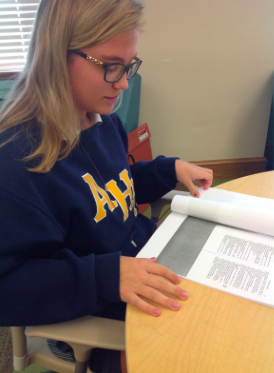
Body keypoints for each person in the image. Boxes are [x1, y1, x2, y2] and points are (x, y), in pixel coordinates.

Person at [0, 0, 213, 372]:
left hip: (142, 263)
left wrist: (167, 169)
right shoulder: (17, 160)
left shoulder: (100, 118)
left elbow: (116, 187)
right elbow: (9, 287)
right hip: (90, 307)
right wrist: (108, 276)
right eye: (111, 67)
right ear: (56, 55)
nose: (124, 82)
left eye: (128, 65)